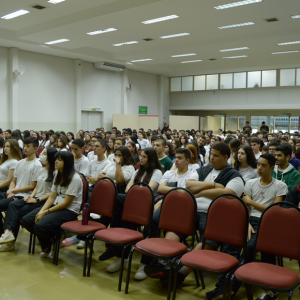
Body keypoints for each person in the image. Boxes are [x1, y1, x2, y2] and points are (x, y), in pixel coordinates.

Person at [170, 143, 245, 299]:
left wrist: (199, 192)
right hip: (192, 209)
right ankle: (167, 263)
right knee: (173, 224)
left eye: (216, 155)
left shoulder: (234, 176)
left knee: (210, 236)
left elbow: (226, 194)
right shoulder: (202, 169)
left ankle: (180, 271)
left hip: (213, 214)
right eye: (211, 154)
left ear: (225, 157)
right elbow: (189, 185)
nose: (211, 157)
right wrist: (213, 185)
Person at [102, 148, 163, 277]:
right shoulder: (138, 171)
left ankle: (144, 264)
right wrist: (137, 190)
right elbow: (128, 189)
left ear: (151, 159)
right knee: (122, 206)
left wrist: (136, 190)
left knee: (120, 201)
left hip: (148, 205)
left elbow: (148, 189)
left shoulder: (157, 172)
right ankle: (121, 258)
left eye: (144, 157)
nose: (140, 159)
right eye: (141, 156)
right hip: (135, 203)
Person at [242, 153, 287, 300]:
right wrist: (247, 222)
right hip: (251, 220)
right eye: (258, 164)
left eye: (264, 165)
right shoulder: (250, 183)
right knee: (250, 245)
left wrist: (251, 201)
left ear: (272, 168)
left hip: (270, 222)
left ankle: (269, 287)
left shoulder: (280, 186)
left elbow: (272, 211)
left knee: (265, 246)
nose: (259, 168)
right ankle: (244, 277)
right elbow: (245, 208)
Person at [21, 151, 83, 257]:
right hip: (56, 205)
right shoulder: (58, 174)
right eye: (56, 159)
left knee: (40, 226)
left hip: (69, 210)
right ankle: (52, 239)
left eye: (59, 159)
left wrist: (45, 212)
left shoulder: (75, 178)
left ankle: (47, 246)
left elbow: (66, 203)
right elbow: (52, 197)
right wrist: (41, 212)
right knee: (26, 220)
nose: (56, 161)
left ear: (67, 162)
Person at [0, 148, 57, 251]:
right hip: (35, 197)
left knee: (17, 213)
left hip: (44, 200)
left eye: (44, 154)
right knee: (13, 205)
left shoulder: (56, 173)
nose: (41, 155)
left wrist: (37, 199)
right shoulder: (42, 170)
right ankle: (8, 233)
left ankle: (10, 243)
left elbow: (53, 194)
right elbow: (36, 187)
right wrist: (32, 196)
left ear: (50, 157)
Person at [0, 137, 42, 229]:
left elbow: (32, 186)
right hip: (14, 193)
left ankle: (4, 233)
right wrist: (11, 190)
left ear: (35, 149)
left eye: (28, 146)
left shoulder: (37, 164)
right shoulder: (20, 162)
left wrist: (14, 190)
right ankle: (4, 234)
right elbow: (13, 180)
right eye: (24, 146)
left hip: (24, 196)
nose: (25, 148)